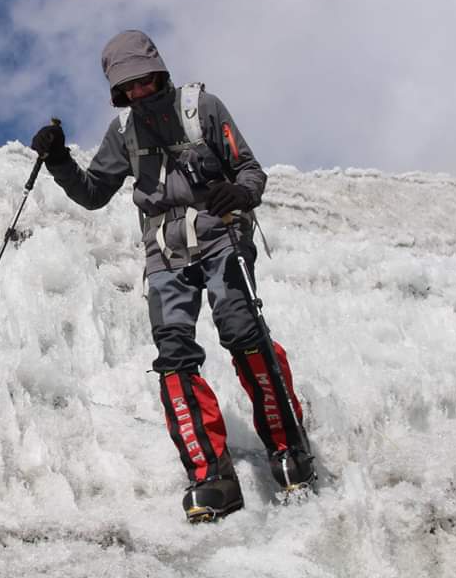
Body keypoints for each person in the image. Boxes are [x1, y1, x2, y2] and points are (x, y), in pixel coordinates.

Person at [30, 29, 315, 522]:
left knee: (244, 332)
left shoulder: (201, 108)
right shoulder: (123, 133)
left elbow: (250, 169)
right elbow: (95, 192)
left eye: (143, 80)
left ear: (158, 71)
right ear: (117, 90)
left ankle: (289, 449)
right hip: (165, 253)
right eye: (128, 86)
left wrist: (241, 195)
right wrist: (58, 160)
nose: (138, 91)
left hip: (223, 234)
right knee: (174, 356)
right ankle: (211, 476)